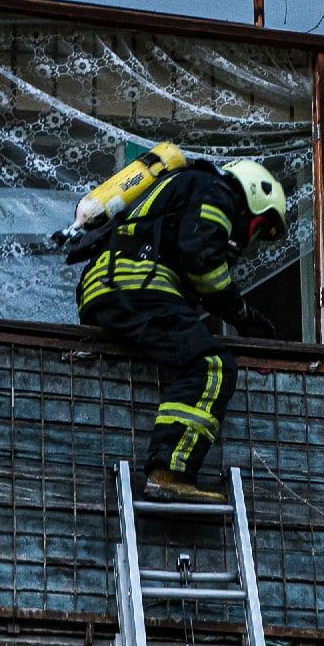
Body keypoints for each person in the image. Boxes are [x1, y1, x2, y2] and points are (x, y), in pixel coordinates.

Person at [75, 159, 286, 503]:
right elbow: (203, 263)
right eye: (259, 227)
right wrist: (247, 318)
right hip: (135, 285)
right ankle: (170, 472)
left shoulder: (185, 187)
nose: (251, 238)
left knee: (180, 353)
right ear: (255, 195)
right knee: (212, 367)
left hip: (103, 287)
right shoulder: (218, 192)